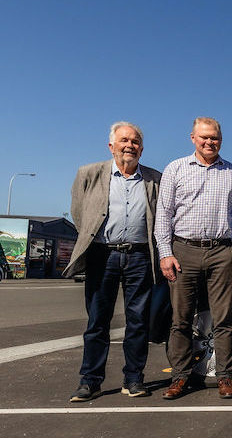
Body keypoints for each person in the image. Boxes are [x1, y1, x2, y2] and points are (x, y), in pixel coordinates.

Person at [156, 117, 232, 400]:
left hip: (222, 252)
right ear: (193, 138)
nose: (210, 142)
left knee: (223, 318)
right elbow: (164, 214)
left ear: (221, 140)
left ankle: (225, 377)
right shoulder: (175, 169)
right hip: (184, 251)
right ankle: (179, 377)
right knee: (181, 319)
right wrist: (165, 253)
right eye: (204, 137)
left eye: (215, 138)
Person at [65, 122, 162, 402]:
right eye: (123, 140)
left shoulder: (155, 179)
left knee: (138, 322)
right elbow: (79, 213)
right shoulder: (89, 173)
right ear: (111, 146)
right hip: (102, 254)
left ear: (141, 149)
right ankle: (90, 381)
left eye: (134, 142)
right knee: (97, 321)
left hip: (141, 256)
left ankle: (134, 379)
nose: (129, 145)